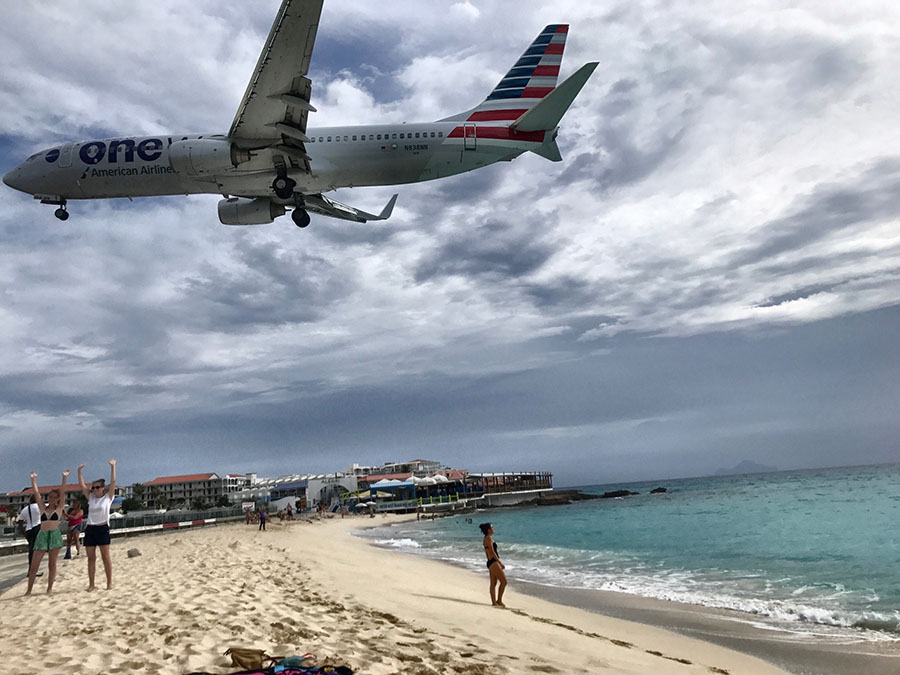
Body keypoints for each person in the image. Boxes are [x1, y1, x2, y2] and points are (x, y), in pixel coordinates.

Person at [25, 471, 68, 595]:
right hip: (42, 535)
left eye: (55, 497)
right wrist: (33, 480)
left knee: (52, 564)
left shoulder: (59, 509)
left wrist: (64, 478)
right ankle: (29, 590)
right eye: (50, 497)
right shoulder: (43, 508)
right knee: (34, 565)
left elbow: (63, 491)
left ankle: (49, 588)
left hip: (54, 535)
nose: (52, 499)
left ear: (58, 499)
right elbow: (37, 494)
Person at [78, 459, 116, 591]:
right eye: (93, 487)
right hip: (90, 529)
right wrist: (79, 472)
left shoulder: (107, 498)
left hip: (103, 528)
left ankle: (109, 583)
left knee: (105, 557)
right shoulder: (91, 498)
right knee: (91, 558)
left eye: (97, 487)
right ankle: (91, 584)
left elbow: (113, 483)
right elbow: (82, 486)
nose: (94, 489)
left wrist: (112, 467)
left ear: (102, 488)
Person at [480, 522, 507, 607]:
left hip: (491, 562)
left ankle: (494, 602)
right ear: (488, 530)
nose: (493, 528)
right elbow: (492, 552)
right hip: (493, 562)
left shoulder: (487, 538)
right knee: (504, 581)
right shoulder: (488, 539)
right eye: (492, 527)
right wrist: (499, 562)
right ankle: (498, 600)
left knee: (493, 583)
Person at [17, 495, 42, 575]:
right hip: (37, 528)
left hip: (29, 530)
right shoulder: (39, 507)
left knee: (31, 550)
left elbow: (20, 523)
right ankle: (34, 570)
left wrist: (24, 534)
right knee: (37, 551)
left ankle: (30, 569)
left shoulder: (25, 509)